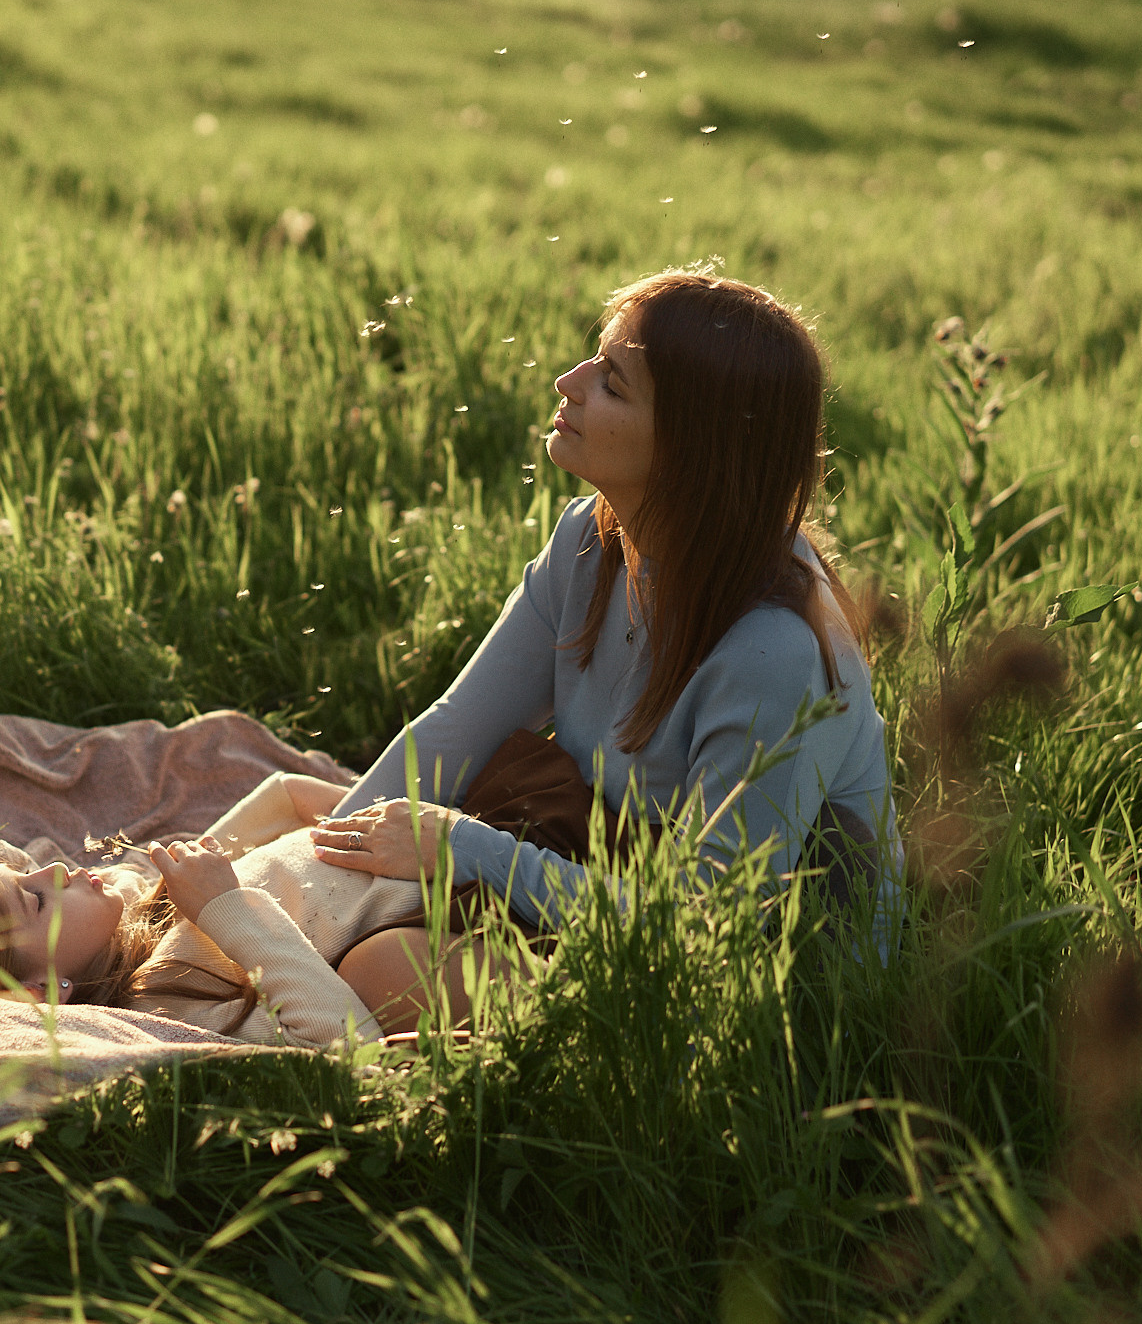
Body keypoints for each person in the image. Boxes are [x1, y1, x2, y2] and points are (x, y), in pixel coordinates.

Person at [307, 267, 899, 931]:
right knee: (357, 899)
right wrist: (317, 864)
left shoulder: (775, 651)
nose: (568, 382)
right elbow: (454, 731)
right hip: (613, 873)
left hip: (766, 980)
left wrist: (468, 850)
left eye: (612, 383)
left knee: (387, 963)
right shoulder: (590, 541)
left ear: (692, 448)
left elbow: (713, 924)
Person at [0, 772, 527, 1046]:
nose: (54, 867)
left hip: (462, 848)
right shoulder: (166, 1001)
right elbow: (348, 1048)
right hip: (447, 927)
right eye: (32, 897)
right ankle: (578, 992)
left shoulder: (147, 898)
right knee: (381, 968)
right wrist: (231, 914)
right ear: (36, 992)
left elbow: (280, 794)